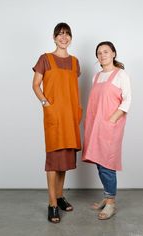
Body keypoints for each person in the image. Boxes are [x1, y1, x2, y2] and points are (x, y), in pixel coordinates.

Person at [32, 23, 82, 223]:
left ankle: (60, 196)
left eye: (67, 34)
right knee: (53, 161)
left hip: (70, 116)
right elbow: (35, 85)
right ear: (54, 38)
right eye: (60, 34)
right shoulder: (45, 59)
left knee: (64, 160)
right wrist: (46, 103)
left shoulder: (75, 62)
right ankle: (52, 203)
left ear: (71, 38)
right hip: (54, 116)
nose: (64, 37)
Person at [82, 41, 131, 220]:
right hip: (95, 125)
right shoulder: (96, 76)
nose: (102, 55)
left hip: (110, 125)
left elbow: (127, 100)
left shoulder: (121, 75)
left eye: (106, 52)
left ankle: (111, 203)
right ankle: (106, 196)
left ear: (113, 54)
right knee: (98, 161)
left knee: (107, 164)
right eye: (99, 53)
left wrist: (111, 119)